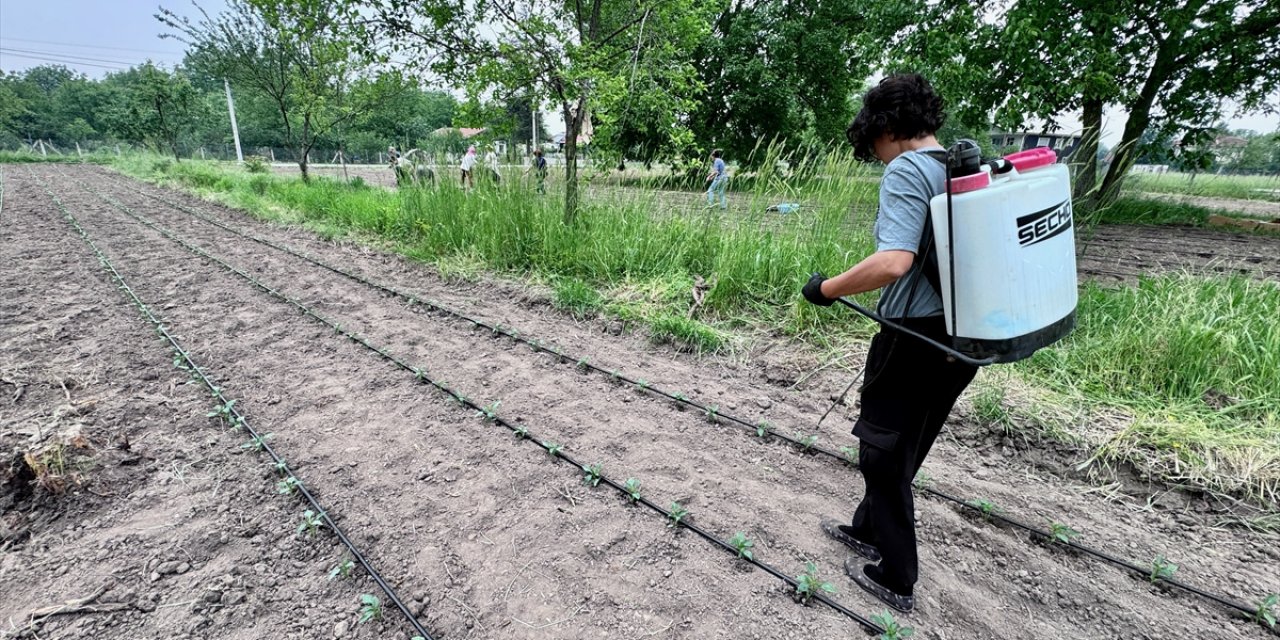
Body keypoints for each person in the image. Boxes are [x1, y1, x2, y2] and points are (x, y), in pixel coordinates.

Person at [800, 73, 979, 614]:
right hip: (962, 338)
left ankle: (897, 574)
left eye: (872, 142)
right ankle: (866, 527)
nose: (875, 155)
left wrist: (826, 288)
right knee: (909, 442)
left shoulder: (907, 168)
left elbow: (894, 261)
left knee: (880, 449)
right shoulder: (960, 167)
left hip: (912, 337)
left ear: (887, 128)